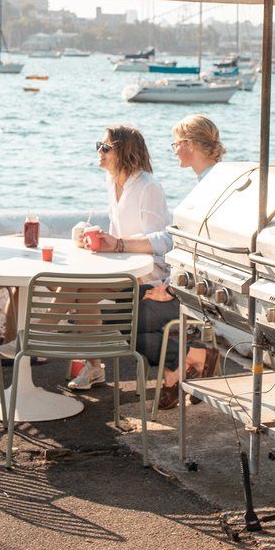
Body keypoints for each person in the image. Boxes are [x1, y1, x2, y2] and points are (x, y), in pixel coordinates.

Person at [79, 116, 224, 408]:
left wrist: (168, 287)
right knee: (108, 312)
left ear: (189, 145)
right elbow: (188, 244)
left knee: (121, 319)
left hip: (184, 289)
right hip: (170, 283)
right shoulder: (206, 183)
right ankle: (186, 361)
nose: (173, 149)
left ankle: (182, 364)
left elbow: (194, 247)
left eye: (176, 143)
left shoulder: (209, 186)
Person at [68, 124, 172, 391]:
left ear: (124, 151)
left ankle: (34, 342)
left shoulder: (148, 186)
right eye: (99, 146)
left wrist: (118, 245)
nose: (99, 151)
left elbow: (164, 241)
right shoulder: (112, 181)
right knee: (71, 286)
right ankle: (92, 365)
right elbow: (118, 233)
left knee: (82, 291)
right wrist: (95, 238)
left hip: (149, 273)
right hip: (123, 268)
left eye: (106, 147)